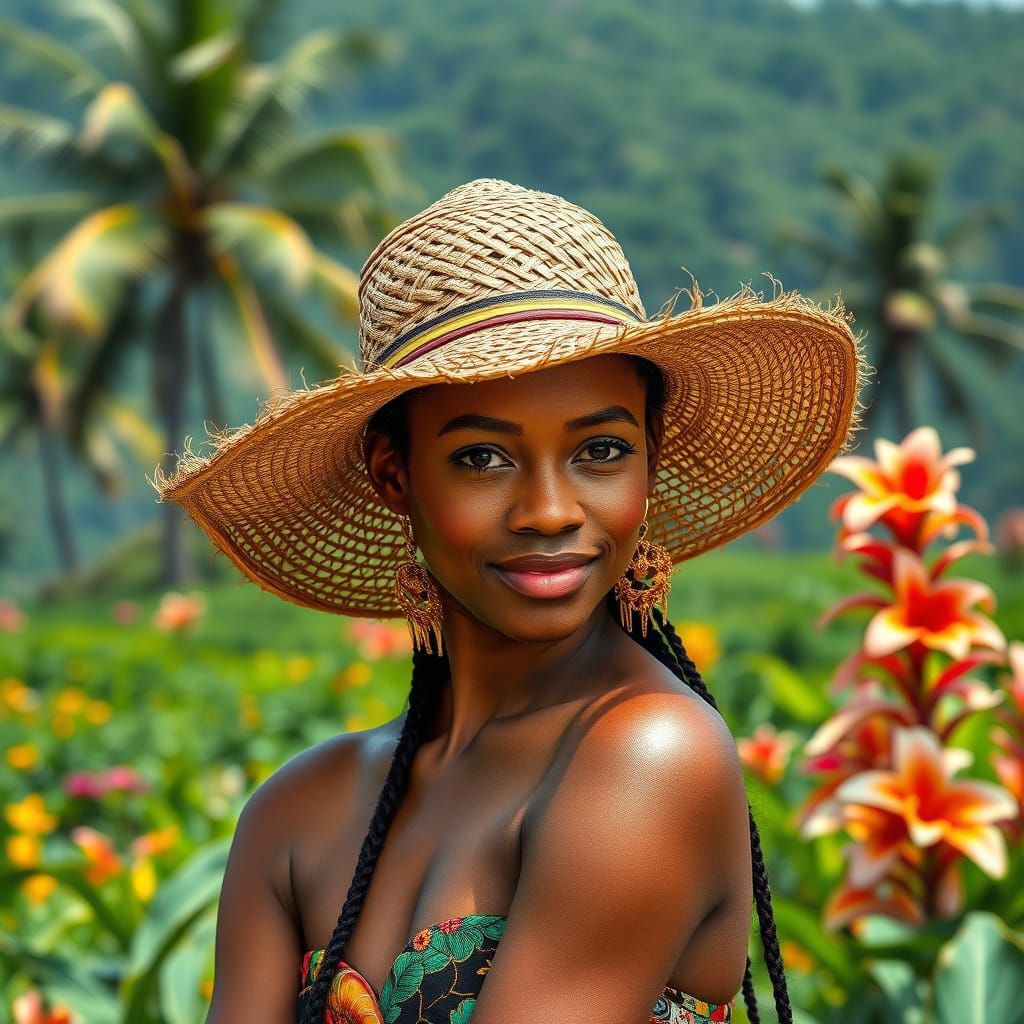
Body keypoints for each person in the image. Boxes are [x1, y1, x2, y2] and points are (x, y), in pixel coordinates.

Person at [151, 178, 867, 1024]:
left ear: (652, 454)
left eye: (601, 450)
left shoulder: (650, 756)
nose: (551, 511)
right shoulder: (292, 813)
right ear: (394, 474)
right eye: (483, 459)